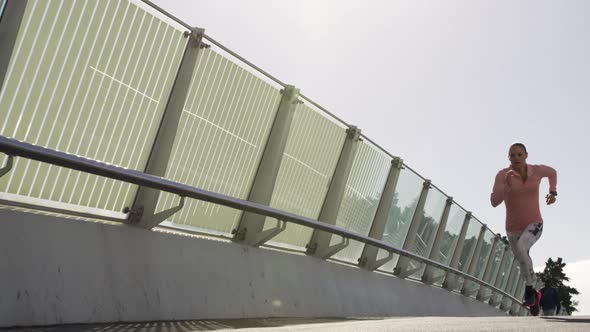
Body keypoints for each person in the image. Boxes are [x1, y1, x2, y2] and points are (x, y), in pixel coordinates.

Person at [490, 142, 557, 314]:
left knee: (521, 248)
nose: (516, 158)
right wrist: (505, 187)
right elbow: (494, 202)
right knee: (522, 260)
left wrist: (552, 192)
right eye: (512, 155)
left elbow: (552, 172)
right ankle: (534, 297)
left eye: (519, 154)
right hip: (512, 229)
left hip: (535, 223)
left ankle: (529, 291)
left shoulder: (537, 170)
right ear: (508, 158)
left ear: (526, 155)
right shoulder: (503, 175)